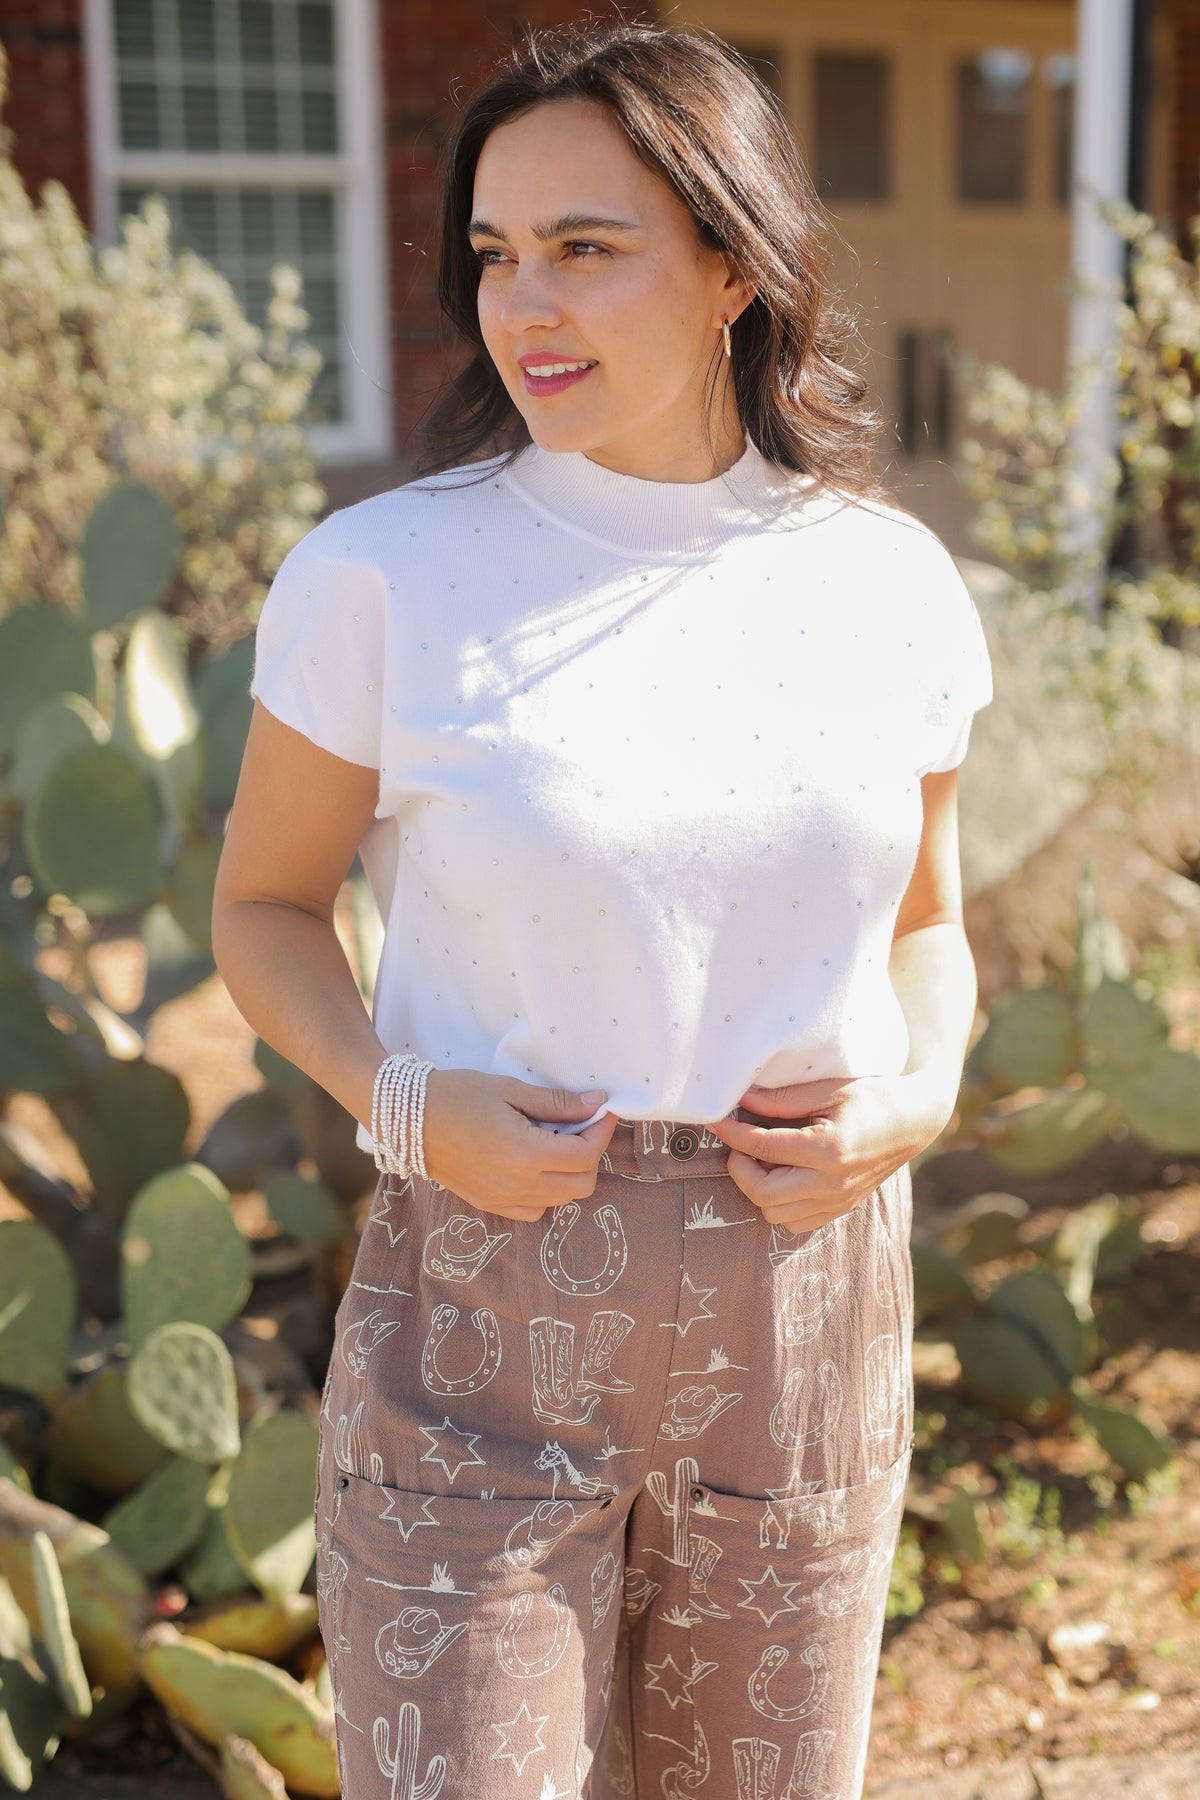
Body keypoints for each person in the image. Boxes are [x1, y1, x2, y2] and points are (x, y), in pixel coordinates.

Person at [212, 21, 992, 1800]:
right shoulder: (385, 578)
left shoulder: (886, 583)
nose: (522, 306)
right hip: (482, 1301)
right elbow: (260, 908)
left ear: (734, 262)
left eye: (585, 247)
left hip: (803, 1308)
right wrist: (400, 1105)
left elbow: (929, 927)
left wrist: (922, 1095)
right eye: (494, 255)